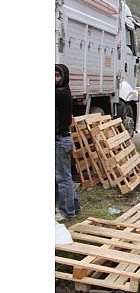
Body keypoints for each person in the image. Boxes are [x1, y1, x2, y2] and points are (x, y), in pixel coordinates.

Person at [55, 64, 81, 221]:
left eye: (58, 75)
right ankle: (74, 206)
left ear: (64, 77)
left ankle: (67, 212)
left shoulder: (61, 92)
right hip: (62, 139)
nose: (55, 78)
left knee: (62, 178)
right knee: (65, 176)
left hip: (60, 140)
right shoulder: (62, 90)